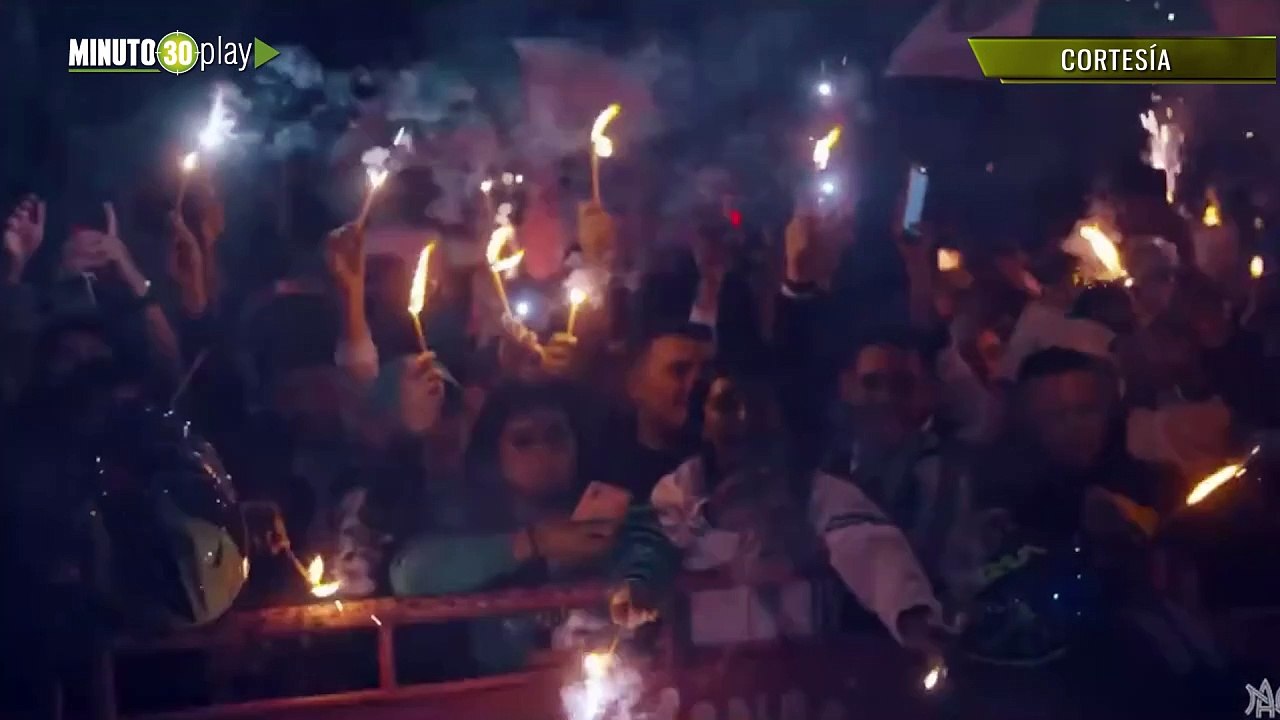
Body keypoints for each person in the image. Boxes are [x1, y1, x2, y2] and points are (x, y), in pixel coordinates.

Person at [609, 367, 946, 659]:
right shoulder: (678, 494)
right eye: (727, 405)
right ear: (705, 422)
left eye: (756, 404)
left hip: (801, 691)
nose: (744, 418)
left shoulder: (818, 494)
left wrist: (912, 616)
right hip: (701, 694)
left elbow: (871, 548)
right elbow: (651, 545)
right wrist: (638, 585)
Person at [388, 380, 618, 674]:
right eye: (523, 441)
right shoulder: (469, 516)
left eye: (556, 436)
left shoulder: (603, 510)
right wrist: (534, 543)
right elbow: (410, 576)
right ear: (493, 452)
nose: (544, 452)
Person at [610, 322, 714, 498]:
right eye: (679, 371)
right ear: (635, 383)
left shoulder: (730, 473)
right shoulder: (607, 476)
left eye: (706, 372)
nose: (696, 385)